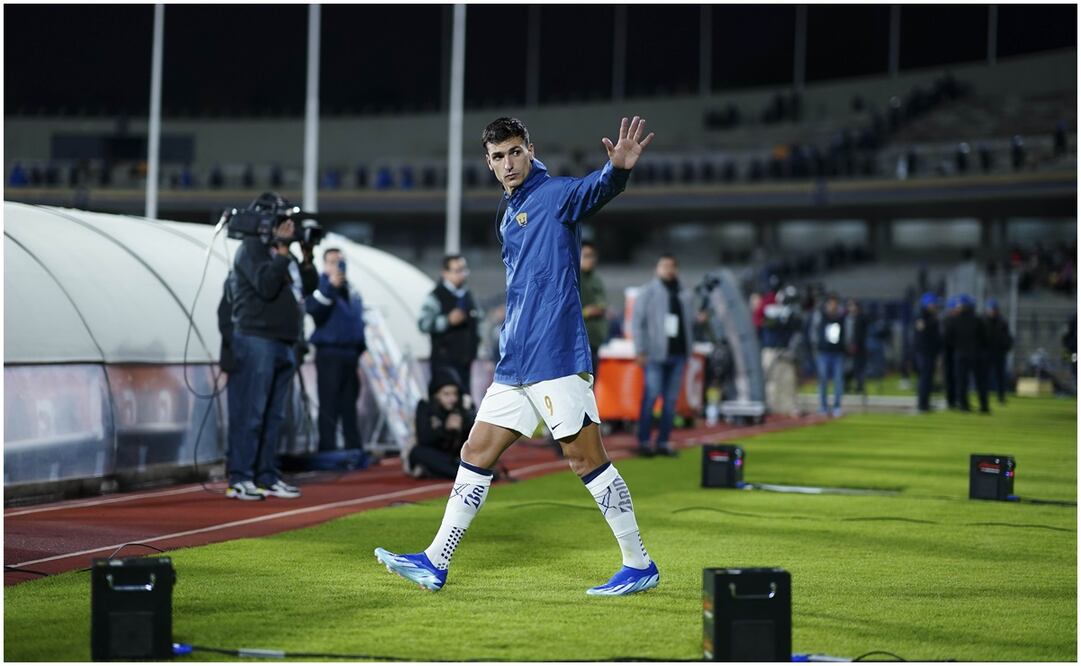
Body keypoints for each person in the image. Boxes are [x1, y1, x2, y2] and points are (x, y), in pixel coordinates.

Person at [375, 115, 658, 596]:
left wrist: (618, 172)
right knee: (474, 451)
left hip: (555, 353)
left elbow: (595, 190)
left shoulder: (555, 194)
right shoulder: (508, 213)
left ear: (530, 149)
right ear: (488, 164)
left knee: (585, 459)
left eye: (514, 152)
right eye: (498, 157)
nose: (507, 163)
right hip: (516, 361)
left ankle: (638, 563)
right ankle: (435, 561)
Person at [225, 193, 318, 500]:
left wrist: (305, 257)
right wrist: (280, 252)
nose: (288, 228)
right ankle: (240, 477)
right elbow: (265, 287)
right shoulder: (250, 249)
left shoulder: (283, 254)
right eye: (283, 221)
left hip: (283, 341)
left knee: (274, 416)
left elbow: (308, 287)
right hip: (256, 339)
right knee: (251, 414)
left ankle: (266, 475)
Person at [631, 254, 697, 456]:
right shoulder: (647, 292)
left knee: (670, 401)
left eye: (672, 266)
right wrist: (640, 349)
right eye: (664, 266)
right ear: (656, 269)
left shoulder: (684, 293)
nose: (668, 269)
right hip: (654, 354)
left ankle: (663, 442)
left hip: (678, 353)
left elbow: (690, 322)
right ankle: (643, 441)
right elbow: (637, 323)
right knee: (650, 398)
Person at [305, 248, 368, 454]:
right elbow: (314, 310)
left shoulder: (351, 289)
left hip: (350, 354)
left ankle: (353, 448)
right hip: (329, 353)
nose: (337, 266)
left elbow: (356, 321)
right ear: (324, 265)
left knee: (349, 404)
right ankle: (328, 450)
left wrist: (362, 348)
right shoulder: (320, 285)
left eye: (340, 262)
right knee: (329, 403)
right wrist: (329, 287)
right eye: (332, 262)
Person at [418, 255, 483, 401]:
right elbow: (423, 323)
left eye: (463, 270)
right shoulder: (435, 297)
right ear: (445, 273)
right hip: (444, 364)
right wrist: (447, 320)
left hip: (465, 362)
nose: (462, 274)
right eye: (457, 270)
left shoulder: (468, 296)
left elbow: (479, 322)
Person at [410, 371, 476, 479]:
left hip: (458, 454)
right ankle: (463, 474)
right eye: (446, 394)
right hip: (436, 453)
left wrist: (463, 425)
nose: (452, 399)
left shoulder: (464, 405)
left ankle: (435, 471)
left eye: (454, 393)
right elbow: (423, 439)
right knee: (417, 453)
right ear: (436, 394)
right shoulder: (425, 406)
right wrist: (444, 429)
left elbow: (474, 438)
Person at [946, 295, 990, 414]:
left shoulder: (954, 320)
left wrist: (958, 346)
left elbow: (949, 338)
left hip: (960, 354)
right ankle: (984, 406)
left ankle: (963, 405)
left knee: (961, 381)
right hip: (977, 355)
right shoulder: (978, 319)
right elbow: (985, 338)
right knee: (980, 381)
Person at [810, 292, 846, 417]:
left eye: (835, 302)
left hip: (837, 353)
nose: (833, 305)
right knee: (823, 380)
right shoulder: (820, 315)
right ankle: (823, 406)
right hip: (824, 352)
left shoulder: (842, 316)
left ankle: (837, 406)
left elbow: (847, 332)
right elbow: (814, 332)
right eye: (830, 303)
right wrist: (816, 347)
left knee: (838, 380)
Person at [579, 240, 608, 378]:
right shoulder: (572, 278)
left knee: (591, 383)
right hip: (578, 341)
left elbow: (602, 305)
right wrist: (586, 312)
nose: (590, 260)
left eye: (592, 256)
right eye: (586, 255)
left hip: (594, 340)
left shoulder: (596, 280)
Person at [913, 292, 942, 413]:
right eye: (933, 304)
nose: (935, 306)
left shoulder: (930, 317)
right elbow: (922, 332)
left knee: (928, 378)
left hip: (930, 351)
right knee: (925, 378)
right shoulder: (921, 316)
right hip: (924, 352)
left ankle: (926, 403)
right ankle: (922, 404)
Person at [984, 299, 1012, 405]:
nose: (993, 312)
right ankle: (984, 396)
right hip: (987, 353)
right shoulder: (983, 322)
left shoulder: (1002, 322)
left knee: (1000, 375)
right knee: (985, 376)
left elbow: (1007, 337)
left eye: (994, 309)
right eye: (991, 309)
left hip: (999, 353)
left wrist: (1006, 347)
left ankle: (1001, 396)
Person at [844, 298, 869, 396]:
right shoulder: (846, 318)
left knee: (859, 369)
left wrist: (857, 344)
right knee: (847, 369)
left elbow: (863, 334)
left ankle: (859, 388)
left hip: (859, 348)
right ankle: (847, 387)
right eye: (850, 305)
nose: (851, 308)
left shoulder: (862, 318)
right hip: (847, 348)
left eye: (853, 305)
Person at [941, 296, 960, 408]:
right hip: (948, 353)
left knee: (955, 377)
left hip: (953, 352)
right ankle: (950, 400)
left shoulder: (951, 320)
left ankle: (954, 399)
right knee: (949, 377)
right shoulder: (947, 320)